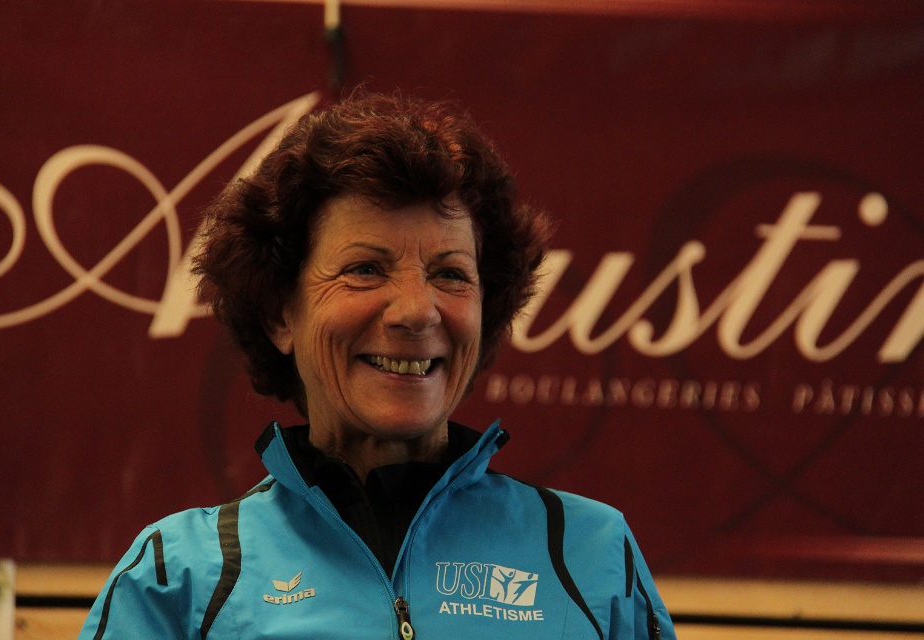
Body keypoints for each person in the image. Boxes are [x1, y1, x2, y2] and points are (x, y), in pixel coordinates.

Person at [79, 92, 676, 639]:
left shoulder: (590, 556)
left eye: (450, 274)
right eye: (365, 269)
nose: (417, 311)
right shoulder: (179, 577)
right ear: (279, 314)